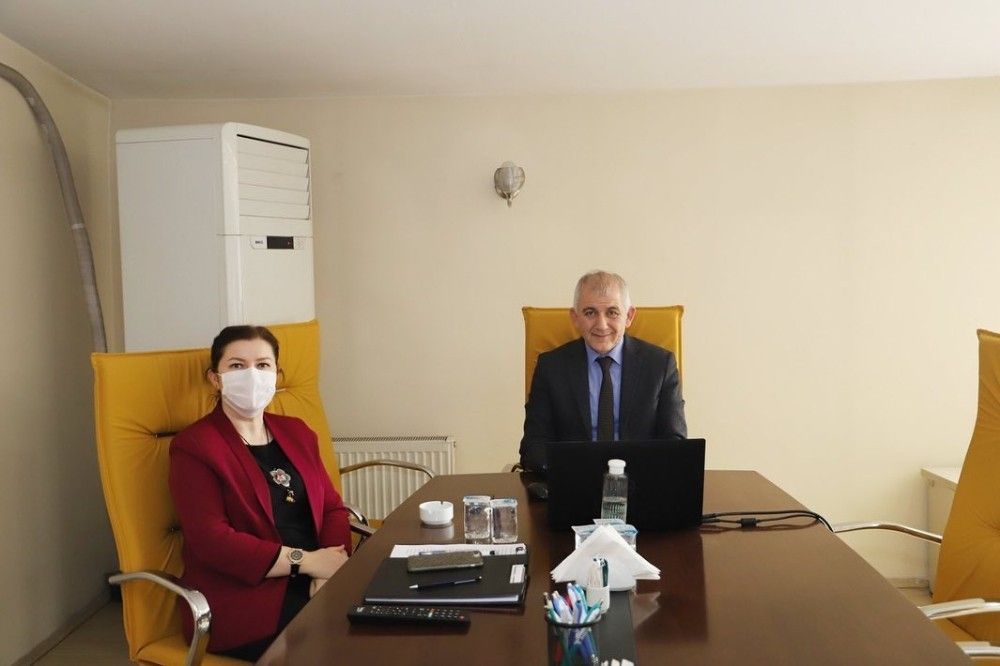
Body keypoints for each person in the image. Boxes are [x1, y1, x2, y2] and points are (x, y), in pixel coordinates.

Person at [169, 325, 352, 660]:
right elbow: (211, 541)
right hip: (244, 596)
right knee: (340, 647)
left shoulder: (298, 432)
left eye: (263, 365)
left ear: (277, 375)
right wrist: (307, 562)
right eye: (237, 365)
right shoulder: (195, 446)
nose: (252, 375)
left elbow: (332, 509)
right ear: (215, 378)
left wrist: (329, 570)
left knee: (392, 623)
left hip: (316, 575)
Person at [519, 270, 688, 471]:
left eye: (612, 312)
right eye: (590, 312)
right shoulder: (551, 367)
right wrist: (569, 470)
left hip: (640, 480)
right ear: (575, 317)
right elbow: (533, 445)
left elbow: (675, 443)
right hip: (574, 478)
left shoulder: (660, 365)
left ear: (629, 316)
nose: (601, 325)